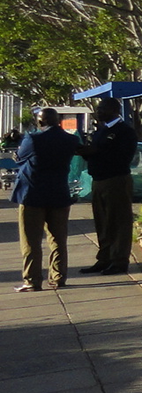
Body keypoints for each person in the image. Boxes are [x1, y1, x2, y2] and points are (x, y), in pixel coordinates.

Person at [12, 108, 79, 292]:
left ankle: (32, 280)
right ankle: (58, 278)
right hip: (59, 193)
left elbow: (20, 158)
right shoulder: (71, 140)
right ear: (58, 121)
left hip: (32, 195)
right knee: (58, 239)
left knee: (31, 241)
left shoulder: (33, 139)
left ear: (40, 122)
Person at [81, 98, 138, 276]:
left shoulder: (124, 131)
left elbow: (123, 157)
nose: (98, 112)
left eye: (102, 108)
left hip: (116, 180)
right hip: (98, 180)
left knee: (118, 222)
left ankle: (119, 261)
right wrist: (86, 152)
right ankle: (104, 258)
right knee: (103, 222)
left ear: (114, 110)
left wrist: (96, 153)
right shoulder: (101, 131)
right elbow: (94, 153)